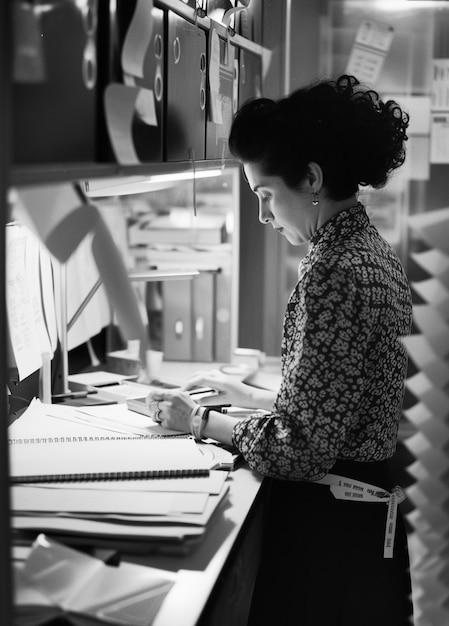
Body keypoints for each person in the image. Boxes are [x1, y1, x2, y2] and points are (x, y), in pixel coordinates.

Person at [146, 75, 413, 625]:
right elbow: (338, 399)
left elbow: (304, 449)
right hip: (360, 518)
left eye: (266, 196)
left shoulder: (332, 272)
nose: (264, 217)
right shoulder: (370, 249)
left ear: (311, 179)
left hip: (331, 529)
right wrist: (253, 393)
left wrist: (198, 421)